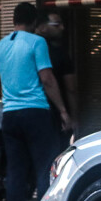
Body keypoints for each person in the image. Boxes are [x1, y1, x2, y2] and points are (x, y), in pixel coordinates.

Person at [0, 2, 71, 201]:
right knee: (44, 170)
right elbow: (47, 79)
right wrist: (63, 110)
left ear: (14, 20)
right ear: (36, 23)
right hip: (36, 113)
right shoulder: (38, 43)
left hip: (10, 116)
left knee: (15, 173)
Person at [37, 9, 77, 141]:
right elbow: (70, 88)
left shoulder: (25, 50)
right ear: (42, 27)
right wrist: (69, 114)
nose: (62, 28)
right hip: (55, 114)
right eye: (57, 24)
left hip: (32, 112)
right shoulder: (60, 54)